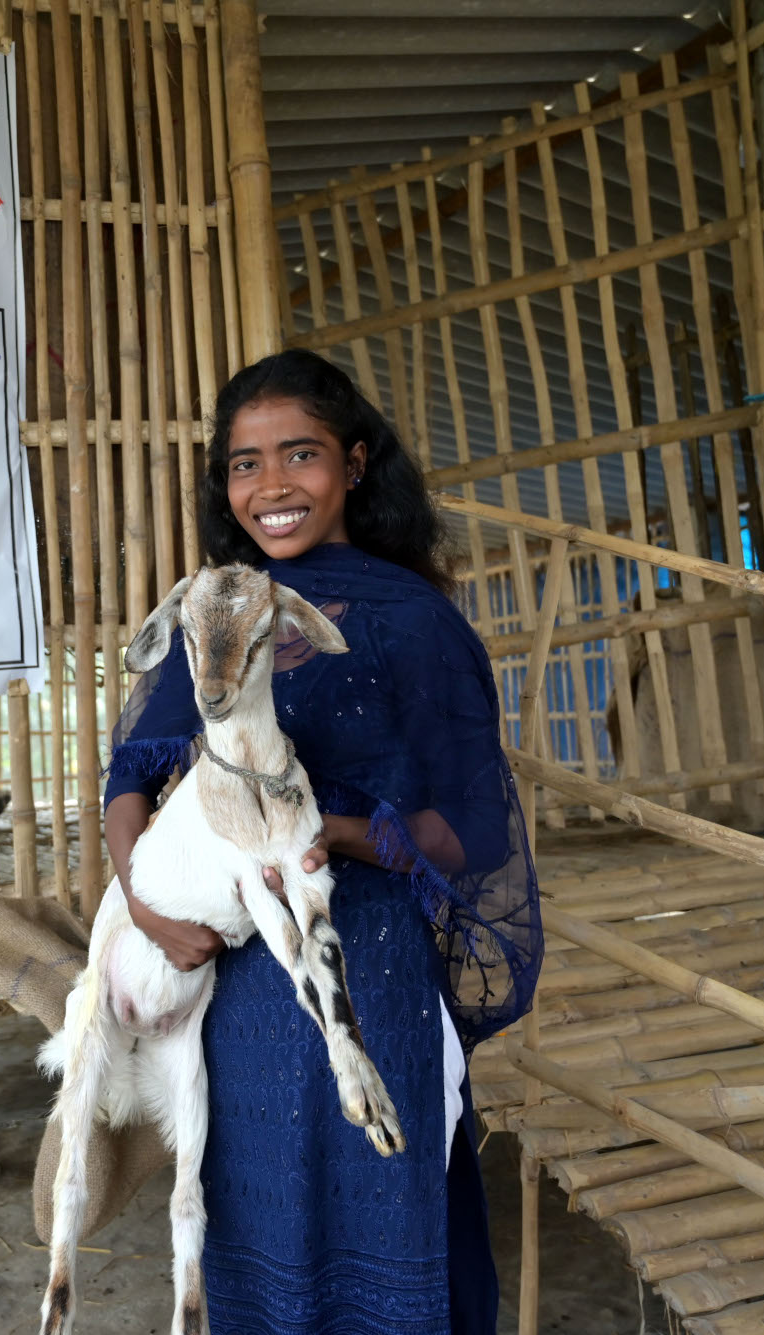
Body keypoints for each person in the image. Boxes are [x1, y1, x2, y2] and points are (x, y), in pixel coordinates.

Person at [102, 349, 543, 1335]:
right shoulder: (224, 609)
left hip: (371, 972)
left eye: (297, 454)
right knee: (255, 1210)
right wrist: (140, 898)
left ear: (351, 463)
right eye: (243, 464)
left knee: (390, 1206)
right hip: (240, 983)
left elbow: (470, 830)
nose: (269, 487)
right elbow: (128, 772)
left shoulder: (413, 622)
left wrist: (335, 831)